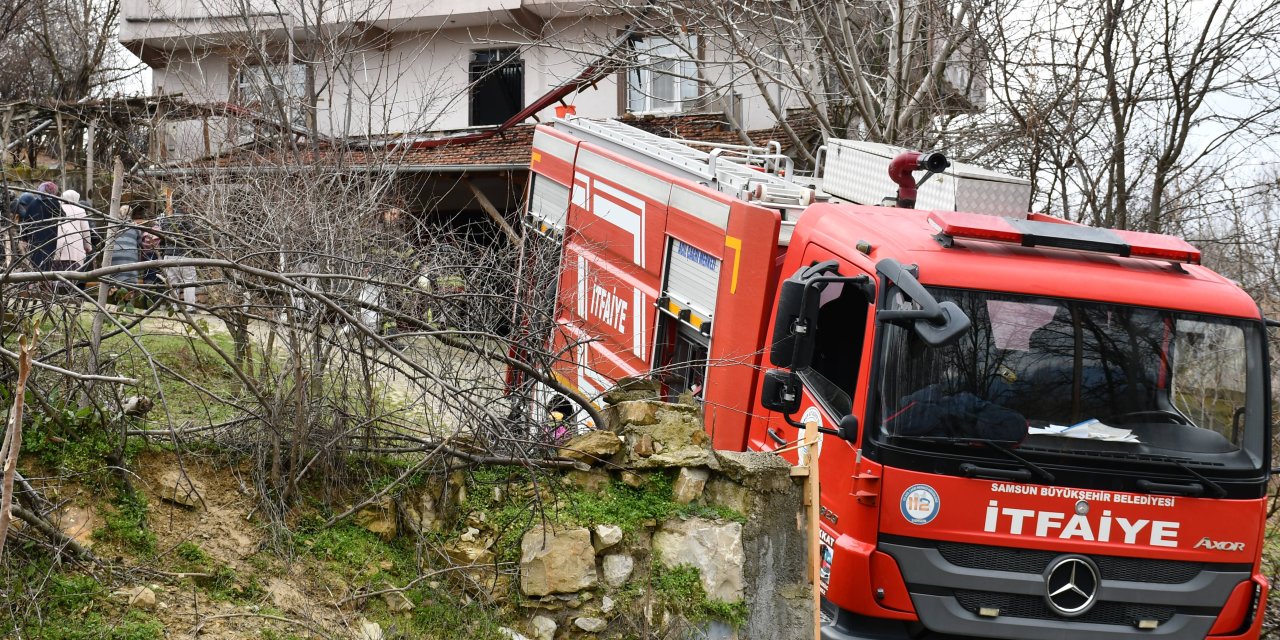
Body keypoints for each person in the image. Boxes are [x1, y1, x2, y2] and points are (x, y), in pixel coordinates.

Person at [156, 208, 198, 311]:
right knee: (189, 281)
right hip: (184, 255)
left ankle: (173, 307)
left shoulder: (166, 223)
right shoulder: (187, 224)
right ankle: (190, 307)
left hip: (168, 256)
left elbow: (161, 238)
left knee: (172, 282)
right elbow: (193, 240)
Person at [18, 182, 61, 270]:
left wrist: (24, 239)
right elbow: (64, 218)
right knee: (49, 268)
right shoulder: (55, 203)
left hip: (35, 243)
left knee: (37, 268)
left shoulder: (33, 204)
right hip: (51, 241)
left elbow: (25, 223)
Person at [106, 205, 147, 294]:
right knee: (130, 280)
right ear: (130, 214)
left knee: (114, 276)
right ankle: (129, 295)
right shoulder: (135, 226)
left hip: (114, 253)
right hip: (130, 255)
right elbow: (139, 243)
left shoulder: (113, 225)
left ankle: (114, 292)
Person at [52, 189, 92, 274]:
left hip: (57, 247)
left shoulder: (56, 208)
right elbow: (86, 231)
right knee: (72, 277)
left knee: (56, 276)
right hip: (74, 248)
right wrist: (88, 246)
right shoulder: (80, 210)